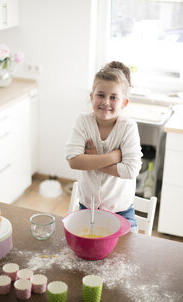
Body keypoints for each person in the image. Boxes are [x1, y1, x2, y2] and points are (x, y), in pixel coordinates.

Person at [65, 61, 142, 232]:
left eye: (113, 97)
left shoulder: (128, 127)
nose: (106, 102)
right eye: (101, 95)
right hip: (87, 208)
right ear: (92, 96)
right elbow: (74, 161)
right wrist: (113, 157)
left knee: (126, 256)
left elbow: (131, 170)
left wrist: (92, 160)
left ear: (124, 103)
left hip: (122, 212)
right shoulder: (83, 121)